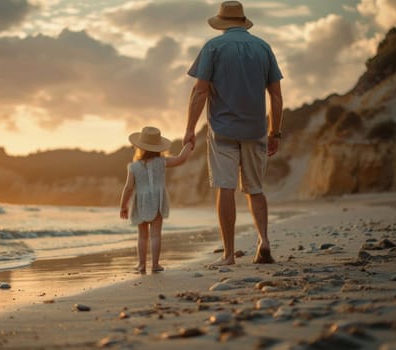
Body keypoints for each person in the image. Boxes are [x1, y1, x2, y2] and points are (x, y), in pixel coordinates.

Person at [184, 1, 283, 265]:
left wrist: (190, 129)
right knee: (255, 189)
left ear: (222, 23)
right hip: (255, 129)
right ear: (242, 21)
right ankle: (264, 240)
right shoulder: (263, 47)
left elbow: (200, 91)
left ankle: (228, 254)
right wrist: (275, 132)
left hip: (222, 130)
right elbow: (275, 94)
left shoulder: (213, 47)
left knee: (225, 188)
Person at [120, 126, 193, 272]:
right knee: (155, 235)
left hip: (140, 202)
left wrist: (123, 205)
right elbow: (181, 159)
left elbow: (128, 188)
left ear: (139, 148)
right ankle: (155, 265)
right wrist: (189, 145)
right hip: (157, 201)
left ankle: (141, 265)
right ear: (159, 147)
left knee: (142, 236)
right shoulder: (162, 162)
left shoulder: (133, 167)